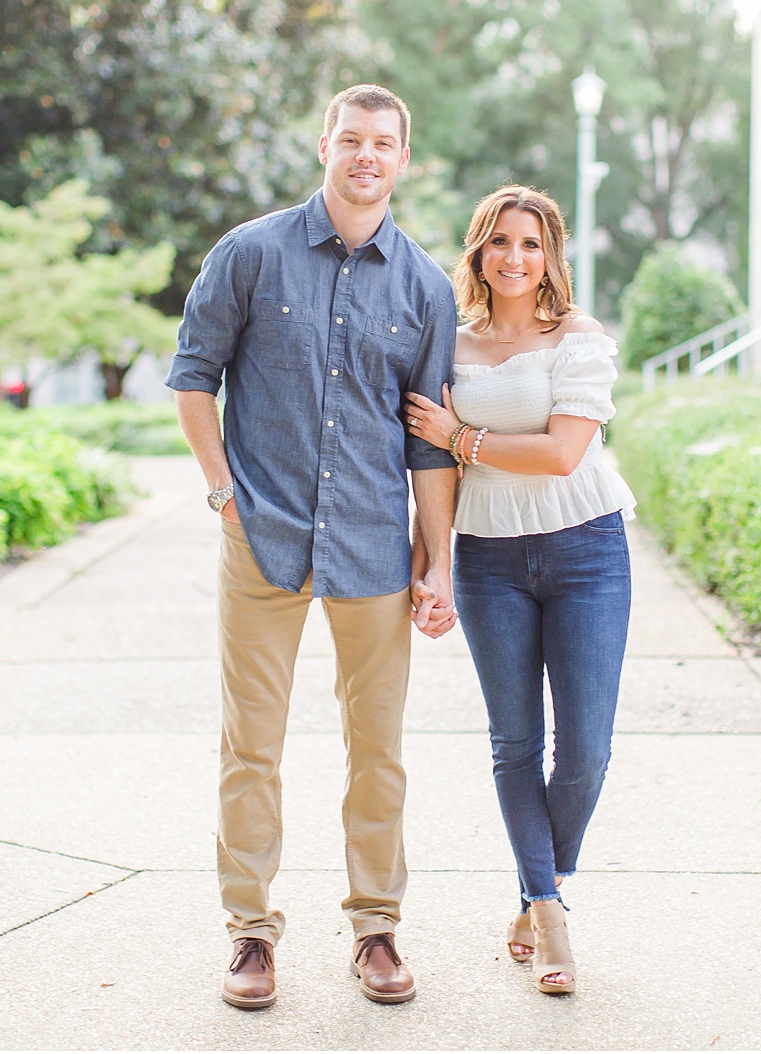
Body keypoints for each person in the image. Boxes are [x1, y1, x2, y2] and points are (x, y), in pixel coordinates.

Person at [167, 84, 460, 1011]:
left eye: (384, 143)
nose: (366, 155)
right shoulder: (249, 255)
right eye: (351, 139)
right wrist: (223, 492)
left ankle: (377, 928)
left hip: (376, 545)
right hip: (264, 540)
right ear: (323, 145)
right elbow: (193, 381)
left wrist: (438, 557)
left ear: (403, 160)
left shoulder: (424, 286)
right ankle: (250, 935)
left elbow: (428, 439)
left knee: (378, 748)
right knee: (250, 742)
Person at [403, 184, 635, 996]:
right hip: (490, 560)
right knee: (512, 745)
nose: (513, 256)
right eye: (499, 241)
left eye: (530, 244)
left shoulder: (578, 338)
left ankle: (542, 890)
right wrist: (427, 562)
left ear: (550, 257)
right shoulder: (448, 346)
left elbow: (563, 454)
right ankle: (549, 908)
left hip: (587, 553)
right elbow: (429, 469)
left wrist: (462, 436)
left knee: (587, 750)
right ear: (478, 251)